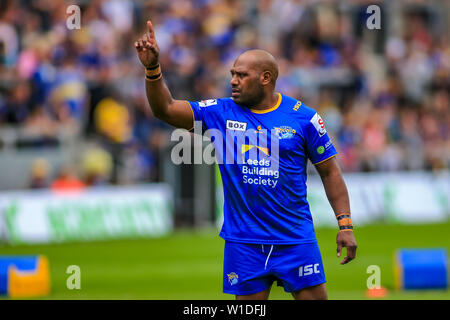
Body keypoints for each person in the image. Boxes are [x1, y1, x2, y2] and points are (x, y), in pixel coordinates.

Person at [135, 20, 357, 300]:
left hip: (295, 240)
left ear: (265, 78)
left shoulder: (304, 118)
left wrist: (345, 225)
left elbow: (330, 172)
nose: (233, 81)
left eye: (241, 75)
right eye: (232, 74)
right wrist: (152, 69)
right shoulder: (221, 112)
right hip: (244, 243)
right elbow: (165, 110)